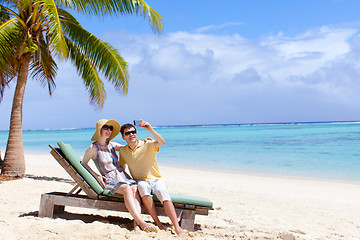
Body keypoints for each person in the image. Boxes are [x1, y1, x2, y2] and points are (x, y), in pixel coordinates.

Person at [82, 119, 156, 232]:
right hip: (110, 179)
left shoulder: (112, 145)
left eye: (110, 128)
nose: (109, 130)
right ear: (99, 130)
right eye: (105, 127)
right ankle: (141, 222)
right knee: (127, 188)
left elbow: (130, 146)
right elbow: (84, 163)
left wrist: (143, 142)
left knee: (135, 188)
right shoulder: (93, 148)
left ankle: (136, 225)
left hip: (123, 175)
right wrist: (97, 175)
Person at [119, 120, 185, 236]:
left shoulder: (147, 144)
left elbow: (162, 142)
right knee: (142, 187)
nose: (131, 135)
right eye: (128, 133)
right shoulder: (123, 151)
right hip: (141, 181)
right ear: (123, 137)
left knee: (163, 194)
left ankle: (177, 227)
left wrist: (150, 129)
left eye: (133, 132)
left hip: (156, 179)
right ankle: (158, 223)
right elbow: (122, 169)